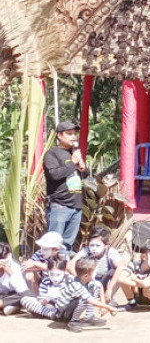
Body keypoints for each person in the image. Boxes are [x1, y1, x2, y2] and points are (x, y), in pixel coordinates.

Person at [26, 257, 117, 332]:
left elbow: (99, 285)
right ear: (86, 276)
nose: (96, 273)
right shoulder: (76, 284)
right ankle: (73, 321)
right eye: (95, 272)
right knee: (84, 299)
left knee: (94, 286)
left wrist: (102, 302)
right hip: (62, 312)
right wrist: (107, 307)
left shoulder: (86, 281)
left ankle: (89, 317)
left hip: (67, 308)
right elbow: (90, 300)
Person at [43, 120, 87, 251]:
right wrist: (72, 163)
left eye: (74, 133)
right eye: (69, 133)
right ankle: (50, 270)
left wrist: (83, 169)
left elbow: (84, 178)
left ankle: (62, 269)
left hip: (76, 206)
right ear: (59, 135)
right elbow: (54, 175)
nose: (74, 136)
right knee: (53, 244)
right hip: (60, 206)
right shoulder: (52, 154)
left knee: (67, 245)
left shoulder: (74, 153)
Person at [68, 226, 126, 305]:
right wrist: (80, 279)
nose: (94, 248)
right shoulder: (86, 251)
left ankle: (108, 297)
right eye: (92, 245)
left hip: (105, 283)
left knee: (121, 273)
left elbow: (121, 266)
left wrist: (109, 290)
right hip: (88, 282)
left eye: (98, 245)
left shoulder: (110, 252)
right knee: (67, 275)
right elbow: (70, 265)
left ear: (107, 245)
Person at [118, 239, 150, 310]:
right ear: (144, 257)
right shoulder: (134, 264)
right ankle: (131, 302)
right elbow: (120, 278)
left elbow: (146, 284)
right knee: (123, 281)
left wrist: (134, 279)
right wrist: (138, 284)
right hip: (137, 294)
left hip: (149, 297)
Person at [0, 242, 32, 315]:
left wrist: (9, 271)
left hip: (13, 295)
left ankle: (6, 304)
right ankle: (11, 306)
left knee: (26, 294)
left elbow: (22, 289)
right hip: (2, 295)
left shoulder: (14, 267)